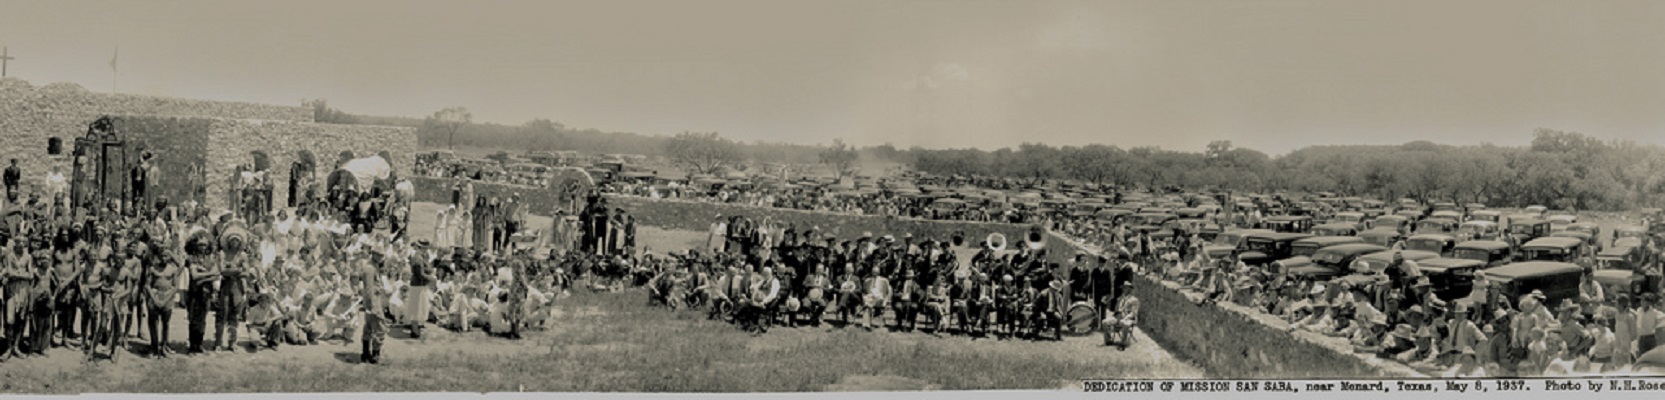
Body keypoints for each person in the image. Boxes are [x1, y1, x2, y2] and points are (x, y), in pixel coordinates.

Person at [1103, 281, 1140, 348]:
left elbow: (1134, 313)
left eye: (1126, 288)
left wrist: (1126, 317)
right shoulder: (1120, 298)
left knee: (1124, 323)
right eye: (1123, 288)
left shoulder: (1134, 300)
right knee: (1105, 322)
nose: (1124, 289)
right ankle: (1108, 341)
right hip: (1118, 317)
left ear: (1130, 289)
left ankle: (1123, 343)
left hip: (1128, 318)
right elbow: (1116, 309)